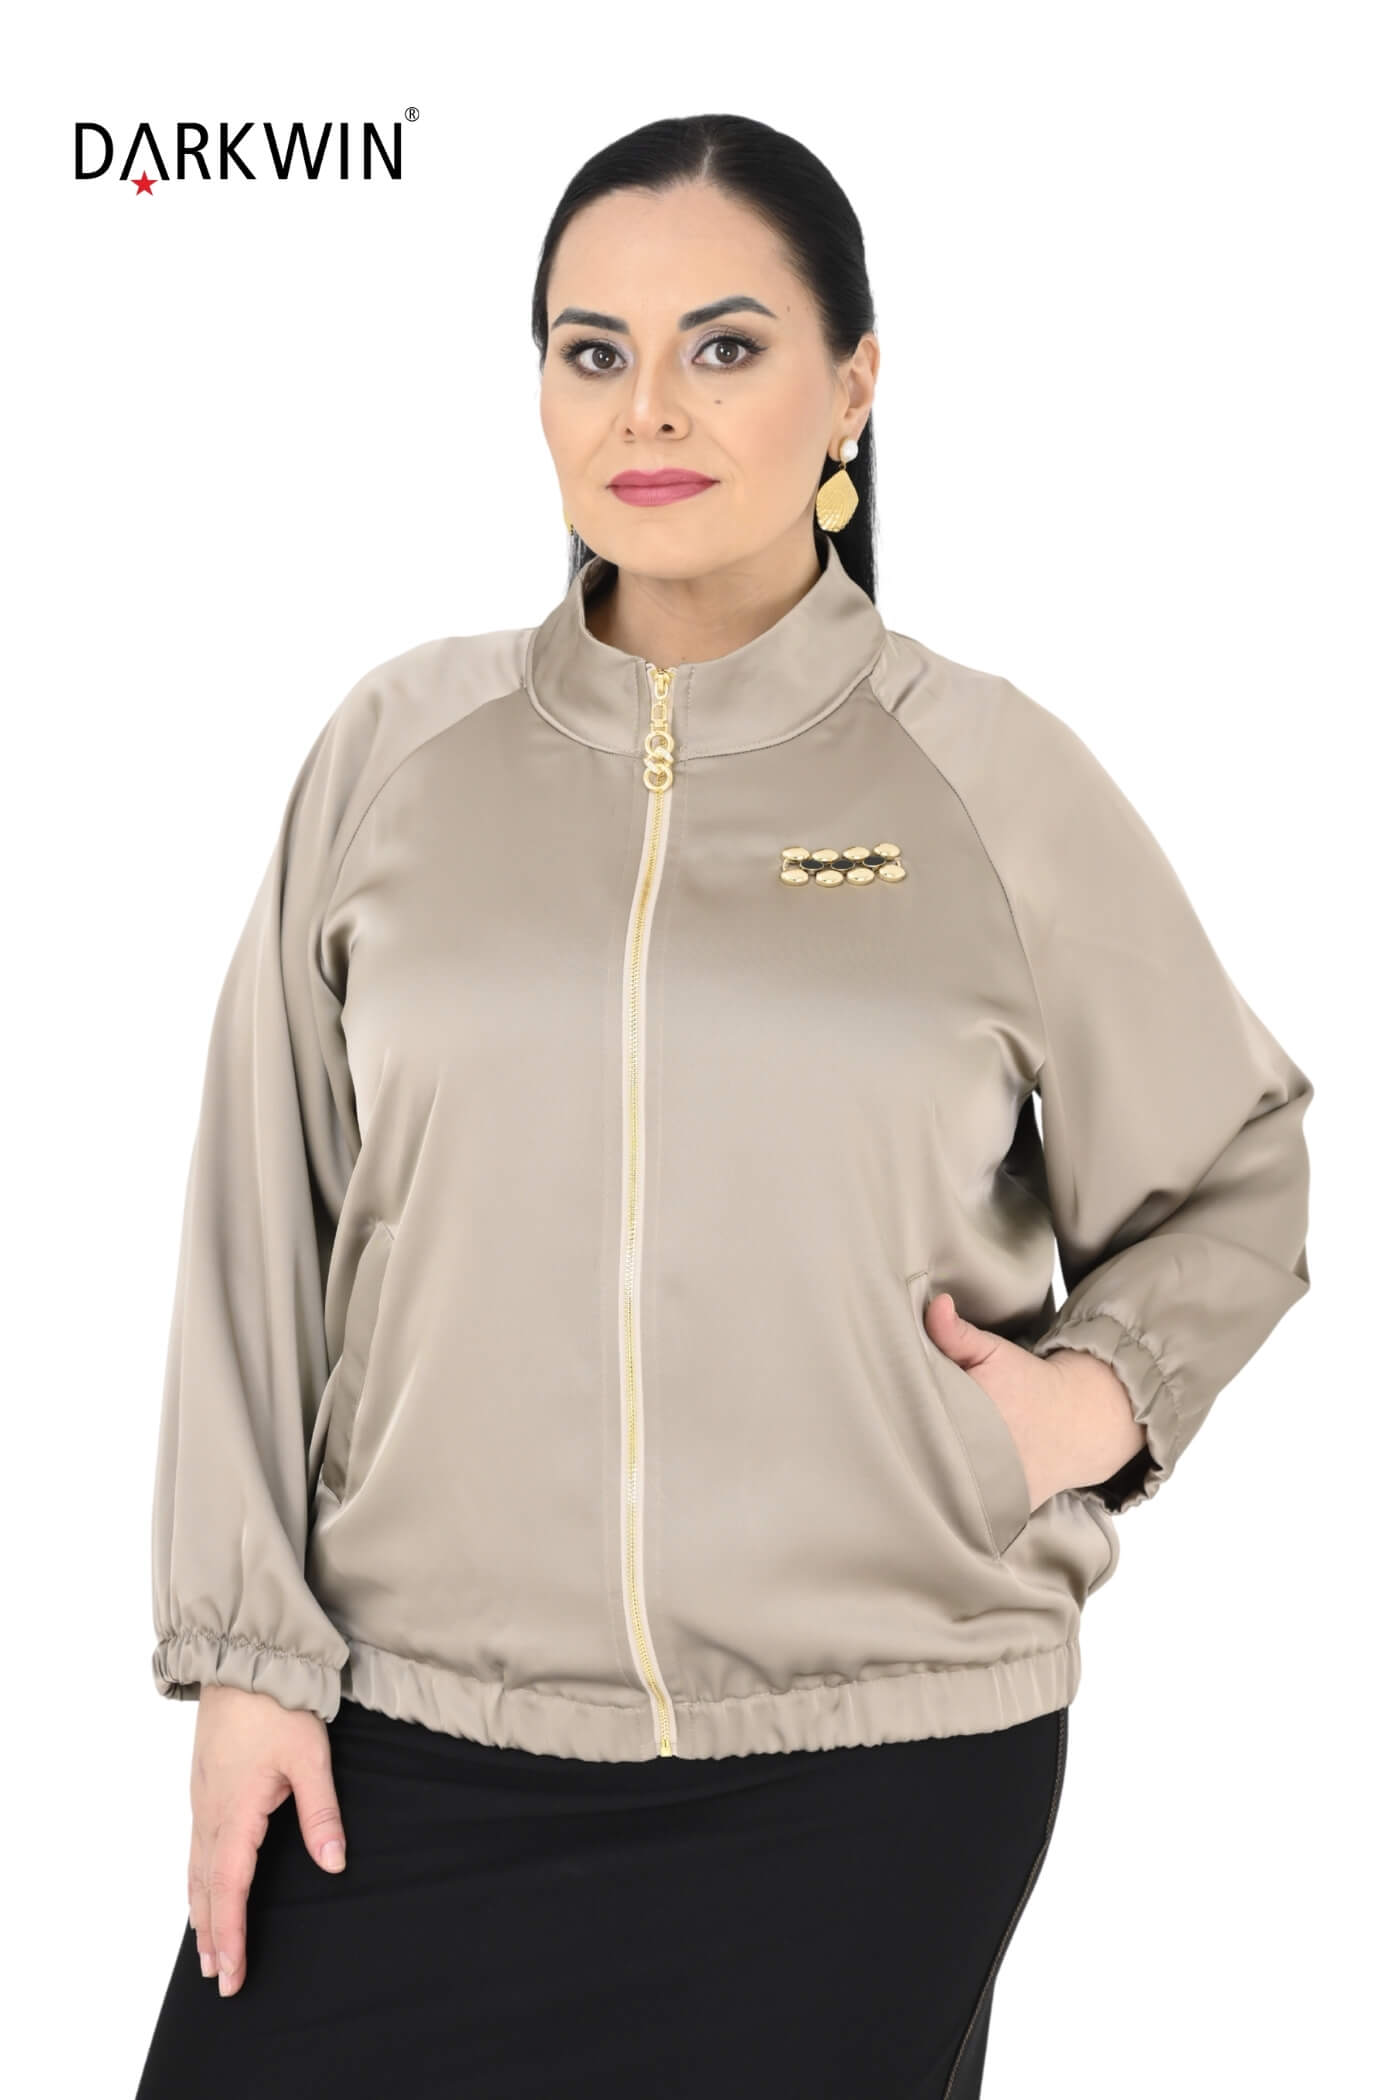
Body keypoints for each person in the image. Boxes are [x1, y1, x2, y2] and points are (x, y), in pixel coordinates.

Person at [136, 113, 1312, 2099]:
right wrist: (247, 1662)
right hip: (406, 1742)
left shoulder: (985, 778)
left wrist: (1083, 1409)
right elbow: (262, 1225)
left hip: (871, 1774)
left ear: (853, 387)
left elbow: (1235, 1172)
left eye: (728, 346)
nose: (650, 407)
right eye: (592, 350)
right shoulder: (397, 754)